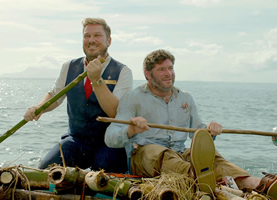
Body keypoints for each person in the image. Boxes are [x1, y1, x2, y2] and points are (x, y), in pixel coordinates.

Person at [105, 49, 277, 198]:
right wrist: (130, 129)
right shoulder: (133, 98)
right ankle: (203, 179)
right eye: (161, 69)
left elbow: (197, 132)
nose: (168, 73)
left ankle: (256, 183)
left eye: (170, 68)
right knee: (159, 153)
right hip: (144, 155)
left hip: (180, 155)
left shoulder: (185, 98)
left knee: (211, 156)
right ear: (147, 74)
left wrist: (209, 132)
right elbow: (110, 138)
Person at [24, 18, 133, 173]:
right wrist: (38, 107)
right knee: (46, 170)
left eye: (97, 36)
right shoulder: (69, 66)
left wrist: (97, 81)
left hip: (109, 143)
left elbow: (115, 113)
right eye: (87, 36)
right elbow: (54, 94)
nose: (91, 40)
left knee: (101, 177)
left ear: (108, 41)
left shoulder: (123, 71)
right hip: (76, 140)